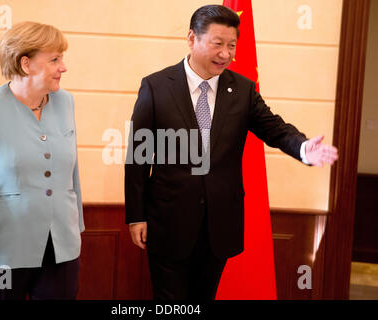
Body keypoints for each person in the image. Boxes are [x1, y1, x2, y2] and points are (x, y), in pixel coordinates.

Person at [125, 5, 338, 300]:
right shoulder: (156, 86)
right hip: (168, 221)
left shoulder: (242, 90)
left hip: (219, 225)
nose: (225, 54)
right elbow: (138, 156)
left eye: (232, 45)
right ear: (191, 38)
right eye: (217, 43)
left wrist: (302, 146)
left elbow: (275, 129)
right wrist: (136, 215)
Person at [0, 21, 84, 300]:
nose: (63, 67)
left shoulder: (66, 102)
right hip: (1, 252)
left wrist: (77, 229)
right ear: (25, 64)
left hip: (61, 248)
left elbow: (72, 173)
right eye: (54, 59)